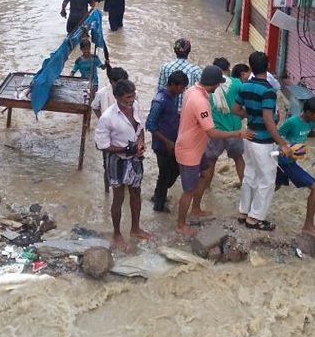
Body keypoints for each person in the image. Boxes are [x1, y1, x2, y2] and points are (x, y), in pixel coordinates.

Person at [176, 66, 252, 236]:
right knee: (188, 191)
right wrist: (238, 133)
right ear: (215, 84)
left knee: (204, 174)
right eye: (219, 84)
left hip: (197, 147)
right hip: (189, 151)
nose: (219, 87)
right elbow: (212, 132)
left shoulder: (192, 91)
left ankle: (196, 209)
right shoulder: (201, 101)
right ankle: (181, 225)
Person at [231, 51, 293, 231]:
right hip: (263, 141)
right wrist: (282, 143)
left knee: (249, 175)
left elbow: (235, 109)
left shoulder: (245, 86)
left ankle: (244, 212)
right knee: (267, 180)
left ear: (250, 67)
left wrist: (250, 114)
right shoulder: (268, 91)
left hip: (249, 138)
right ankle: (255, 218)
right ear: (267, 66)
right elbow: (268, 120)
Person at [93, 79, 151, 250]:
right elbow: (101, 145)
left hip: (135, 159)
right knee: (118, 197)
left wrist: (140, 144)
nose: (131, 99)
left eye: (133, 95)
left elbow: (140, 129)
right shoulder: (107, 118)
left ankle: (135, 228)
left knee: (136, 193)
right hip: (117, 160)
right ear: (117, 97)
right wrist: (125, 149)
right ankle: (117, 233)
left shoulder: (136, 106)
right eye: (128, 97)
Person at [275, 97, 315, 240]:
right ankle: (308, 226)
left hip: (289, 162)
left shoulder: (309, 122)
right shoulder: (291, 122)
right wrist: (288, 149)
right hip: (285, 162)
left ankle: (251, 205)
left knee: (275, 186)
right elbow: (277, 137)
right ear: (308, 112)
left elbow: (308, 133)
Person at [194, 58, 245, 217]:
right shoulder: (237, 84)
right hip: (235, 130)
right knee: (239, 160)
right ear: (228, 69)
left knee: (210, 163)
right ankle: (245, 191)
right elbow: (243, 104)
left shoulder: (204, 88)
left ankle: (207, 189)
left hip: (213, 132)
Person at [146, 71, 189, 212]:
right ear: (172, 85)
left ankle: (159, 194)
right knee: (164, 174)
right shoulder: (160, 101)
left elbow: (172, 115)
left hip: (173, 141)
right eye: (181, 87)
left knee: (176, 170)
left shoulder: (174, 96)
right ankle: (159, 205)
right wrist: (167, 142)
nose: (182, 90)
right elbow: (150, 124)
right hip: (162, 145)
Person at [92, 67, 129, 194]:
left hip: (124, 132)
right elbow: (95, 107)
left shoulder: (129, 93)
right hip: (108, 135)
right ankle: (107, 191)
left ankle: (123, 187)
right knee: (106, 164)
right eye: (119, 82)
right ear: (112, 82)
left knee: (126, 161)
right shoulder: (102, 93)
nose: (122, 85)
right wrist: (102, 120)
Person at [157, 38, 202, 110]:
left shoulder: (165, 67)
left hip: (169, 109)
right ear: (189, 51)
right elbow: (202, 92)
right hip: (187, 110)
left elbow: (160, 90)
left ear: (174, 51)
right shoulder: (195, 70)